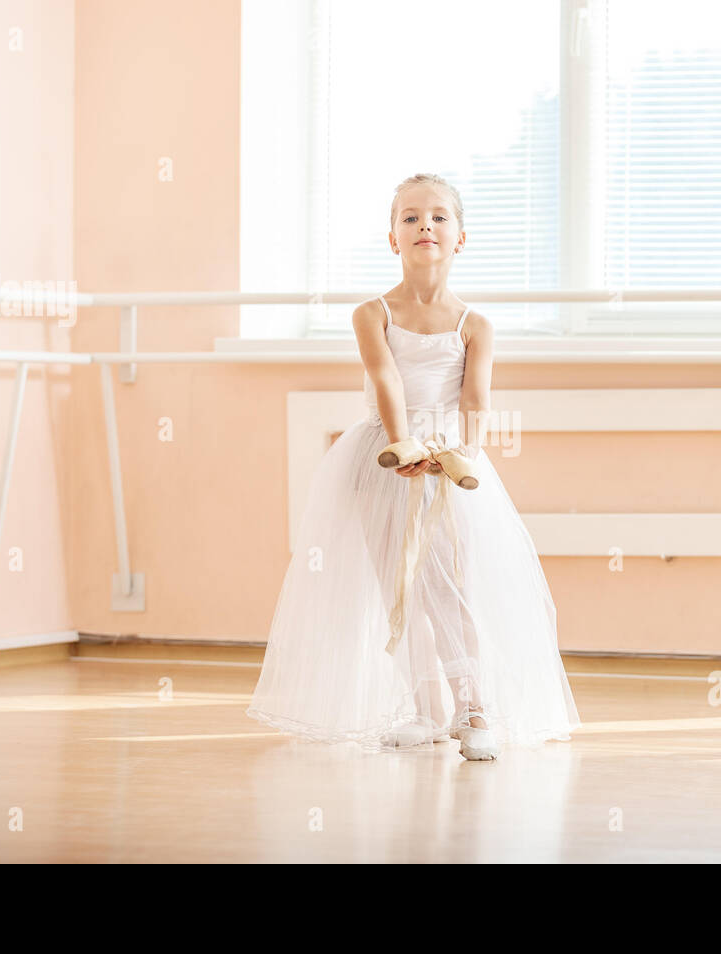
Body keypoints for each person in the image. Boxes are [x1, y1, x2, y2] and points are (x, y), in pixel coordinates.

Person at [246, 173, 580, 760]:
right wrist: (403, 446)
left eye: (438, 217)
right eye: (410, 217)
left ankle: (473, 706)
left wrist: (462, 456)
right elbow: (385, 379)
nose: (425, 225)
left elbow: (476, 400)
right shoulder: (371, 313)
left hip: (449, 466)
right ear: (392, 239)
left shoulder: (475, 325)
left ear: (461, 237)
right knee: (397, 587)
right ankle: (424, 709)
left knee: (447, 588)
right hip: (383, 456)